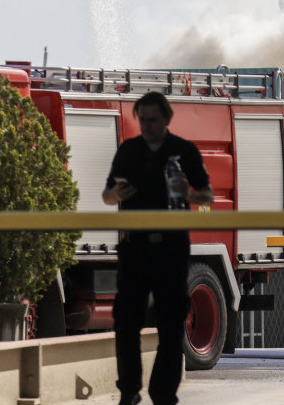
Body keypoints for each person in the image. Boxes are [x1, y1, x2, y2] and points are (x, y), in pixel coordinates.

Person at [102, 91, 212, 405]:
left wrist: (188, 194)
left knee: (171, 324)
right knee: (126, 322)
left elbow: (207, 197)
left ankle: (163, 394)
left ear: (166, 118)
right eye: (143, 120)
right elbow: (107, 196)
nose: (147, 126)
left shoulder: (183, 151)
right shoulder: (129, 151)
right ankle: (129, 391)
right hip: (135, 248)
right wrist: (116, 194)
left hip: (171, 248)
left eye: (153, 120)